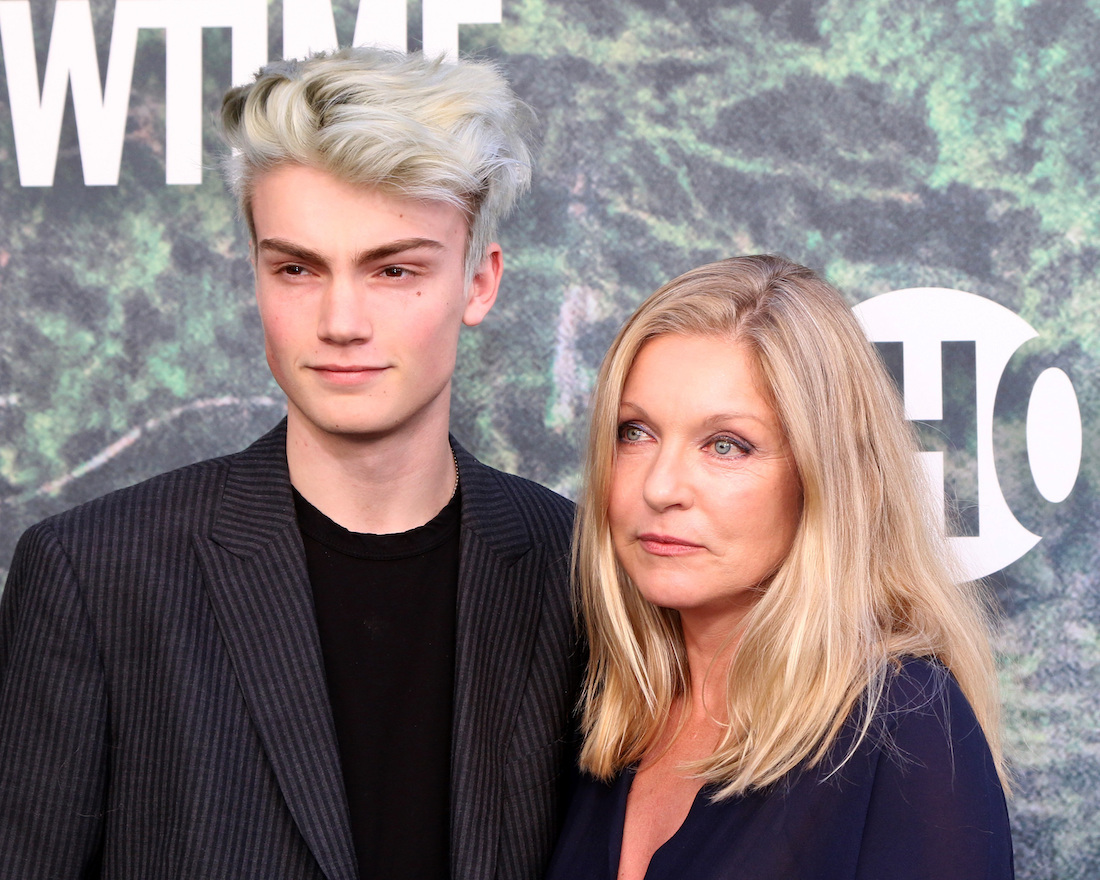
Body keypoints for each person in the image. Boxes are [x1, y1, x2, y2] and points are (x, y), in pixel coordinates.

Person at [0, 48, 580, 880]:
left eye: (394, 269)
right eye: (298, 268)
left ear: (479, 284)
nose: (341, 320)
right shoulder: (95, 575)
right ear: (257, 279)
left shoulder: (577, 571)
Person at [547, 255, 1013, 879]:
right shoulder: (599, 709)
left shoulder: (904, 725)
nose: (660, 486)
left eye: (726, 445)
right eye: (636, 433)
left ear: (826, 479)